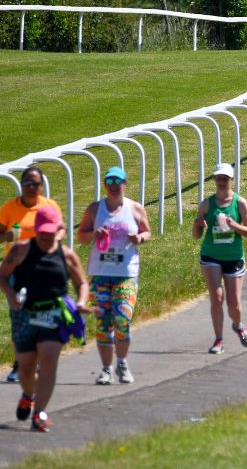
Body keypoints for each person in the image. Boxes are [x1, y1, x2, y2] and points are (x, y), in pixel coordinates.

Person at [0, 206, 92, 432]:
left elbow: (82, 283)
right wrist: (11, 294)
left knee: (49, 361)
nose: (46, 235)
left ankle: (39, 412)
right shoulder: (21, 250)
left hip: (53, 313)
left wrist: (81, 302)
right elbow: (3, 275)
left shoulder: (67, 255)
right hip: (24, 314)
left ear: (59, 229)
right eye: (42, 230)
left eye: (51, 231)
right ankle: (28, 394)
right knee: (26, 366)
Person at [77, 166, 151, 385]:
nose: (113, 185)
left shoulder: (135, 208)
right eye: (109, 181)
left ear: (125, 183)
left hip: (126, 273)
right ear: (105, 184)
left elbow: (148, 231)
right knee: (103, 322)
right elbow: (81, 237)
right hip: (100, 273)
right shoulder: (95, 209)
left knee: (122, 318)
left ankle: (122, 362)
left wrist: (140, 239)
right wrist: (93, 234)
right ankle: (106, 369)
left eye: (117, 181)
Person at [0, 167, 63, 384]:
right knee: (19, 316)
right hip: (15, 268)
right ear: (21, 184)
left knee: (39, 315)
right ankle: (20, 364)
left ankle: (34, 361)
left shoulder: (49, 206)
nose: (31, 187)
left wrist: (53, 240)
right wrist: (8, 235)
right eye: (27, 182)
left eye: (35, 183)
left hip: (42, 267)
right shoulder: (9, 208)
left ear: (42, 186)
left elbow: (61, 229)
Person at [192, 163, 247, 355]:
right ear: (214, 180)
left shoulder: (240, 203)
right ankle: (218, 340)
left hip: (234, 257)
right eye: (218, 178)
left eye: (225, 178)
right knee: (216, 297)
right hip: (211, 255)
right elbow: (196, 235)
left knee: (234, 304)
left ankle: (237, 325)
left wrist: (234, 225)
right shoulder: (206, 204)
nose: (221, 181)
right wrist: (198, 224)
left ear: (232, 180)